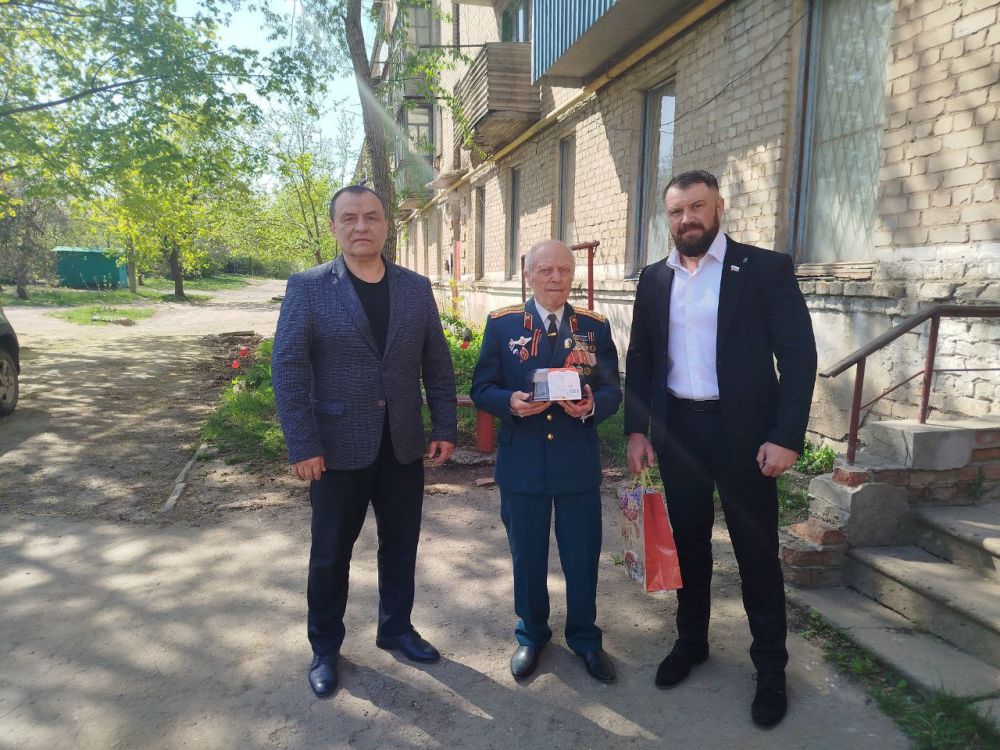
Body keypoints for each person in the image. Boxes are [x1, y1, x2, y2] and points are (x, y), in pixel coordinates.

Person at [623, 170, 817, 727]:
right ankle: (691, 642)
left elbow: (798, 356)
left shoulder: (764, 269)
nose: (687, 219)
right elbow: (641, 357)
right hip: (678, 432)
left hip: (746, 436)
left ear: (719, 208)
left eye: (697, 207)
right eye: (677, 211)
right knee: (688, 545)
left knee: (755, 552)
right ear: (668, 217)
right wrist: (637, 430)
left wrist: (786, 436)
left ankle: (771, 669)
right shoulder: (654, 278)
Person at [271, 185, 457, 699]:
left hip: (402, 445)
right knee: (331, 554)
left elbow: (437, 364)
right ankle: (325, 648)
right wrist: (302, 443)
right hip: (334, 450)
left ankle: (396, 628)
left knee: (401, 545)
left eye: (371, 217)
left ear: (386, 226)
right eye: (350, 218)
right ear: (335, 227)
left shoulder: (415, 288)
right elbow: (288, 368)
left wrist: (444, 427)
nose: (361, 227)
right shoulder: (308, 288)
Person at [471, 240, 622, 684]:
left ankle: (585, 638)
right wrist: (510, 403)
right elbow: (482, 387)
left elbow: (612, 389)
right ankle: (532, 634)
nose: (555, 278)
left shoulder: (593, 326)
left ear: (572, 275)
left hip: (576, 461)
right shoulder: (502, 325)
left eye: (564, 270)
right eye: (545, 270)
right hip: (523, 461)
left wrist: (594, 405)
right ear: (529, 274)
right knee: (527, 555)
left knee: (582, 555)